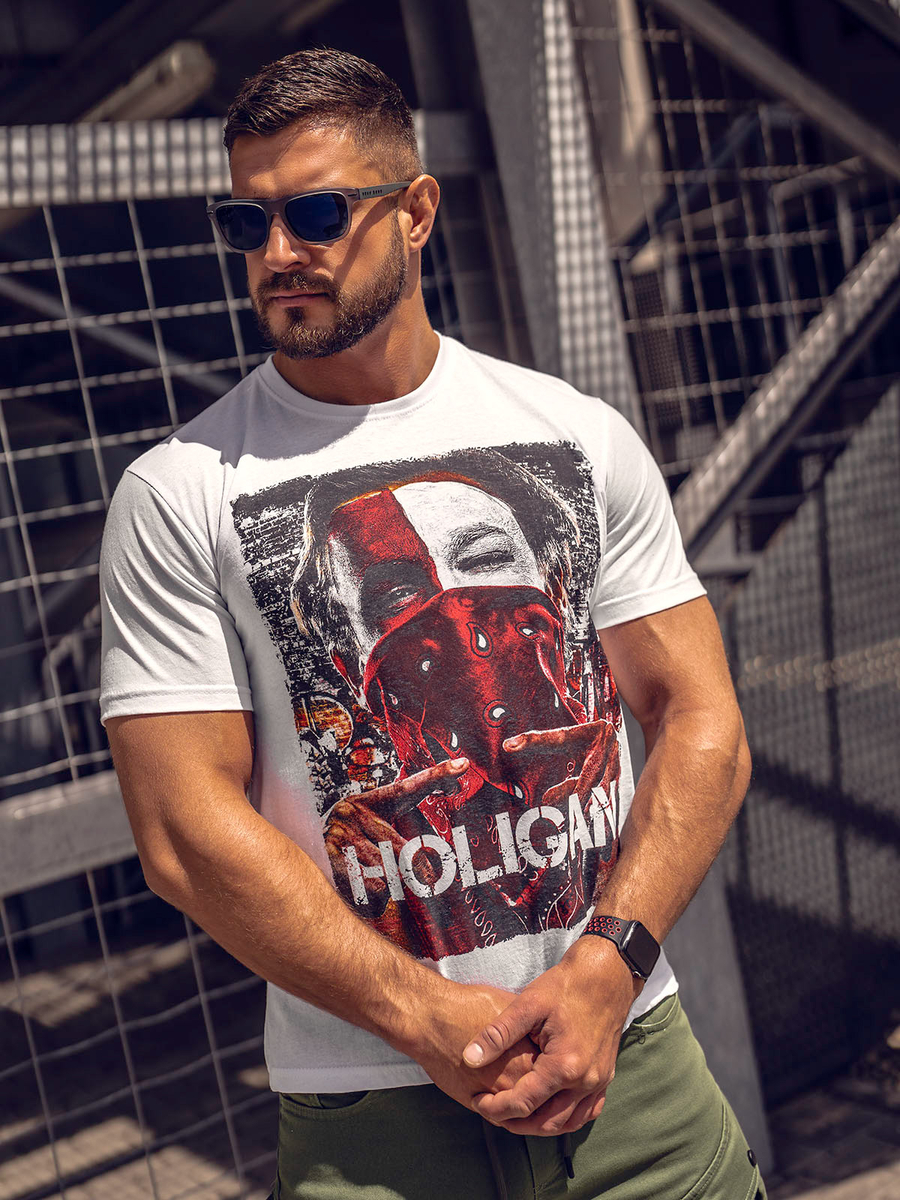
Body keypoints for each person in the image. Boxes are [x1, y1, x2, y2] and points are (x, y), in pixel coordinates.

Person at [99, 46, 765, 1200]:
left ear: (414, 212)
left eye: (316, 213)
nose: (277, 253)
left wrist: (609, 967)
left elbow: (702, 718)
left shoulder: (572, 433)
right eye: (246, 223)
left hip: (631, 1064)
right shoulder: (182, 489)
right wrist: (426, 1018)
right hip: (373, 1113)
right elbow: (183, 832)